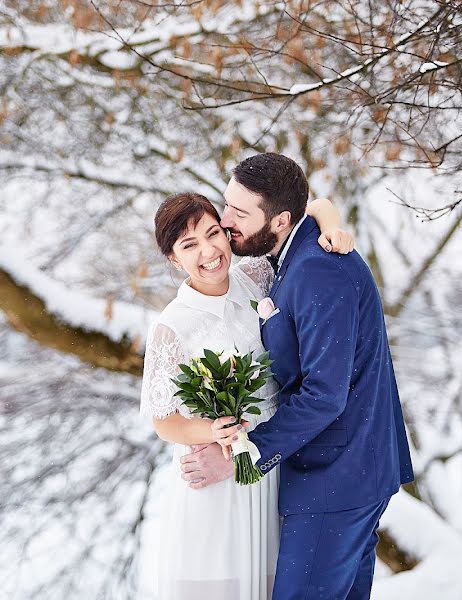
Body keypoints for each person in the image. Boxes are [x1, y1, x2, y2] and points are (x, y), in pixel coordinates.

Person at [181, 153, 415, 600]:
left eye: (239, 213)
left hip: (338, 478)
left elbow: (324, 395)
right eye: (227, 204)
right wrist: (326, 212)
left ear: (280, 220)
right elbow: (312, 206)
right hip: (347, 473)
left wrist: (240, 457)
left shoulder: (318, 269)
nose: (225, 220)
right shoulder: (294, 252)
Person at [140, 191, 354, 600]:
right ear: (173, 258)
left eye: (212, 233)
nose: (209, 251)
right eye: (190, 245)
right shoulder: (171, 326)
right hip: (219, 482)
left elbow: (309, 208)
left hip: (271, 465)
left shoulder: (255, 276)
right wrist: (211, 431)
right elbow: (164, 419)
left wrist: (332, 228)